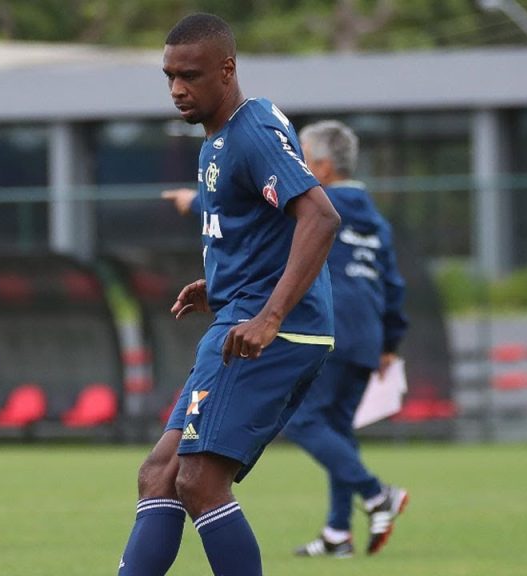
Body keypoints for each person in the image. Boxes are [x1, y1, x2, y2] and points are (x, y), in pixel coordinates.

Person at [117, 13, 341, 576]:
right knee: (160, 475)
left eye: (189, 75)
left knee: (197, 481)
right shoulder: (218, 140)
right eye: (169, 76)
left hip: (270, 331)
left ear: (227, 68)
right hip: (237, 318)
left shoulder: (251, 133)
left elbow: (319, 216)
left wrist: (267, 315)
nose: (176, 89)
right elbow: (262, 231)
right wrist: (220, 287)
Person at [283, 120, 409, 558]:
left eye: (301, 154)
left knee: (299, 420)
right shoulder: (375, 219)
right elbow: (392, 284)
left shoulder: (316, 207)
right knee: (336, 429)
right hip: (368, 336)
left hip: (331, 329)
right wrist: (391, 343)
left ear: (320, 166)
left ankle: (378, 495)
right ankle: (338, 533)